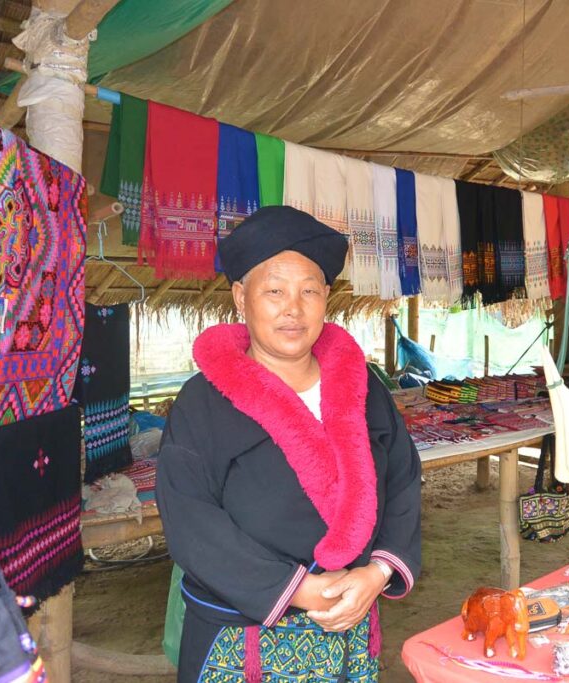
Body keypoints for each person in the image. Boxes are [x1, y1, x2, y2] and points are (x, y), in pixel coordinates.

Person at [156, 206, 422, 682]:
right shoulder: (203, 402)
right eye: (274, 291)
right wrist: (297, 590)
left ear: (326, 300)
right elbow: (190, 518)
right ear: (241, 297)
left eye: (309, 291)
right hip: (241, 639)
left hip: (350, 623)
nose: (293, 309)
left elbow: (402, 479)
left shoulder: (364, 388)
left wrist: (377, 572)